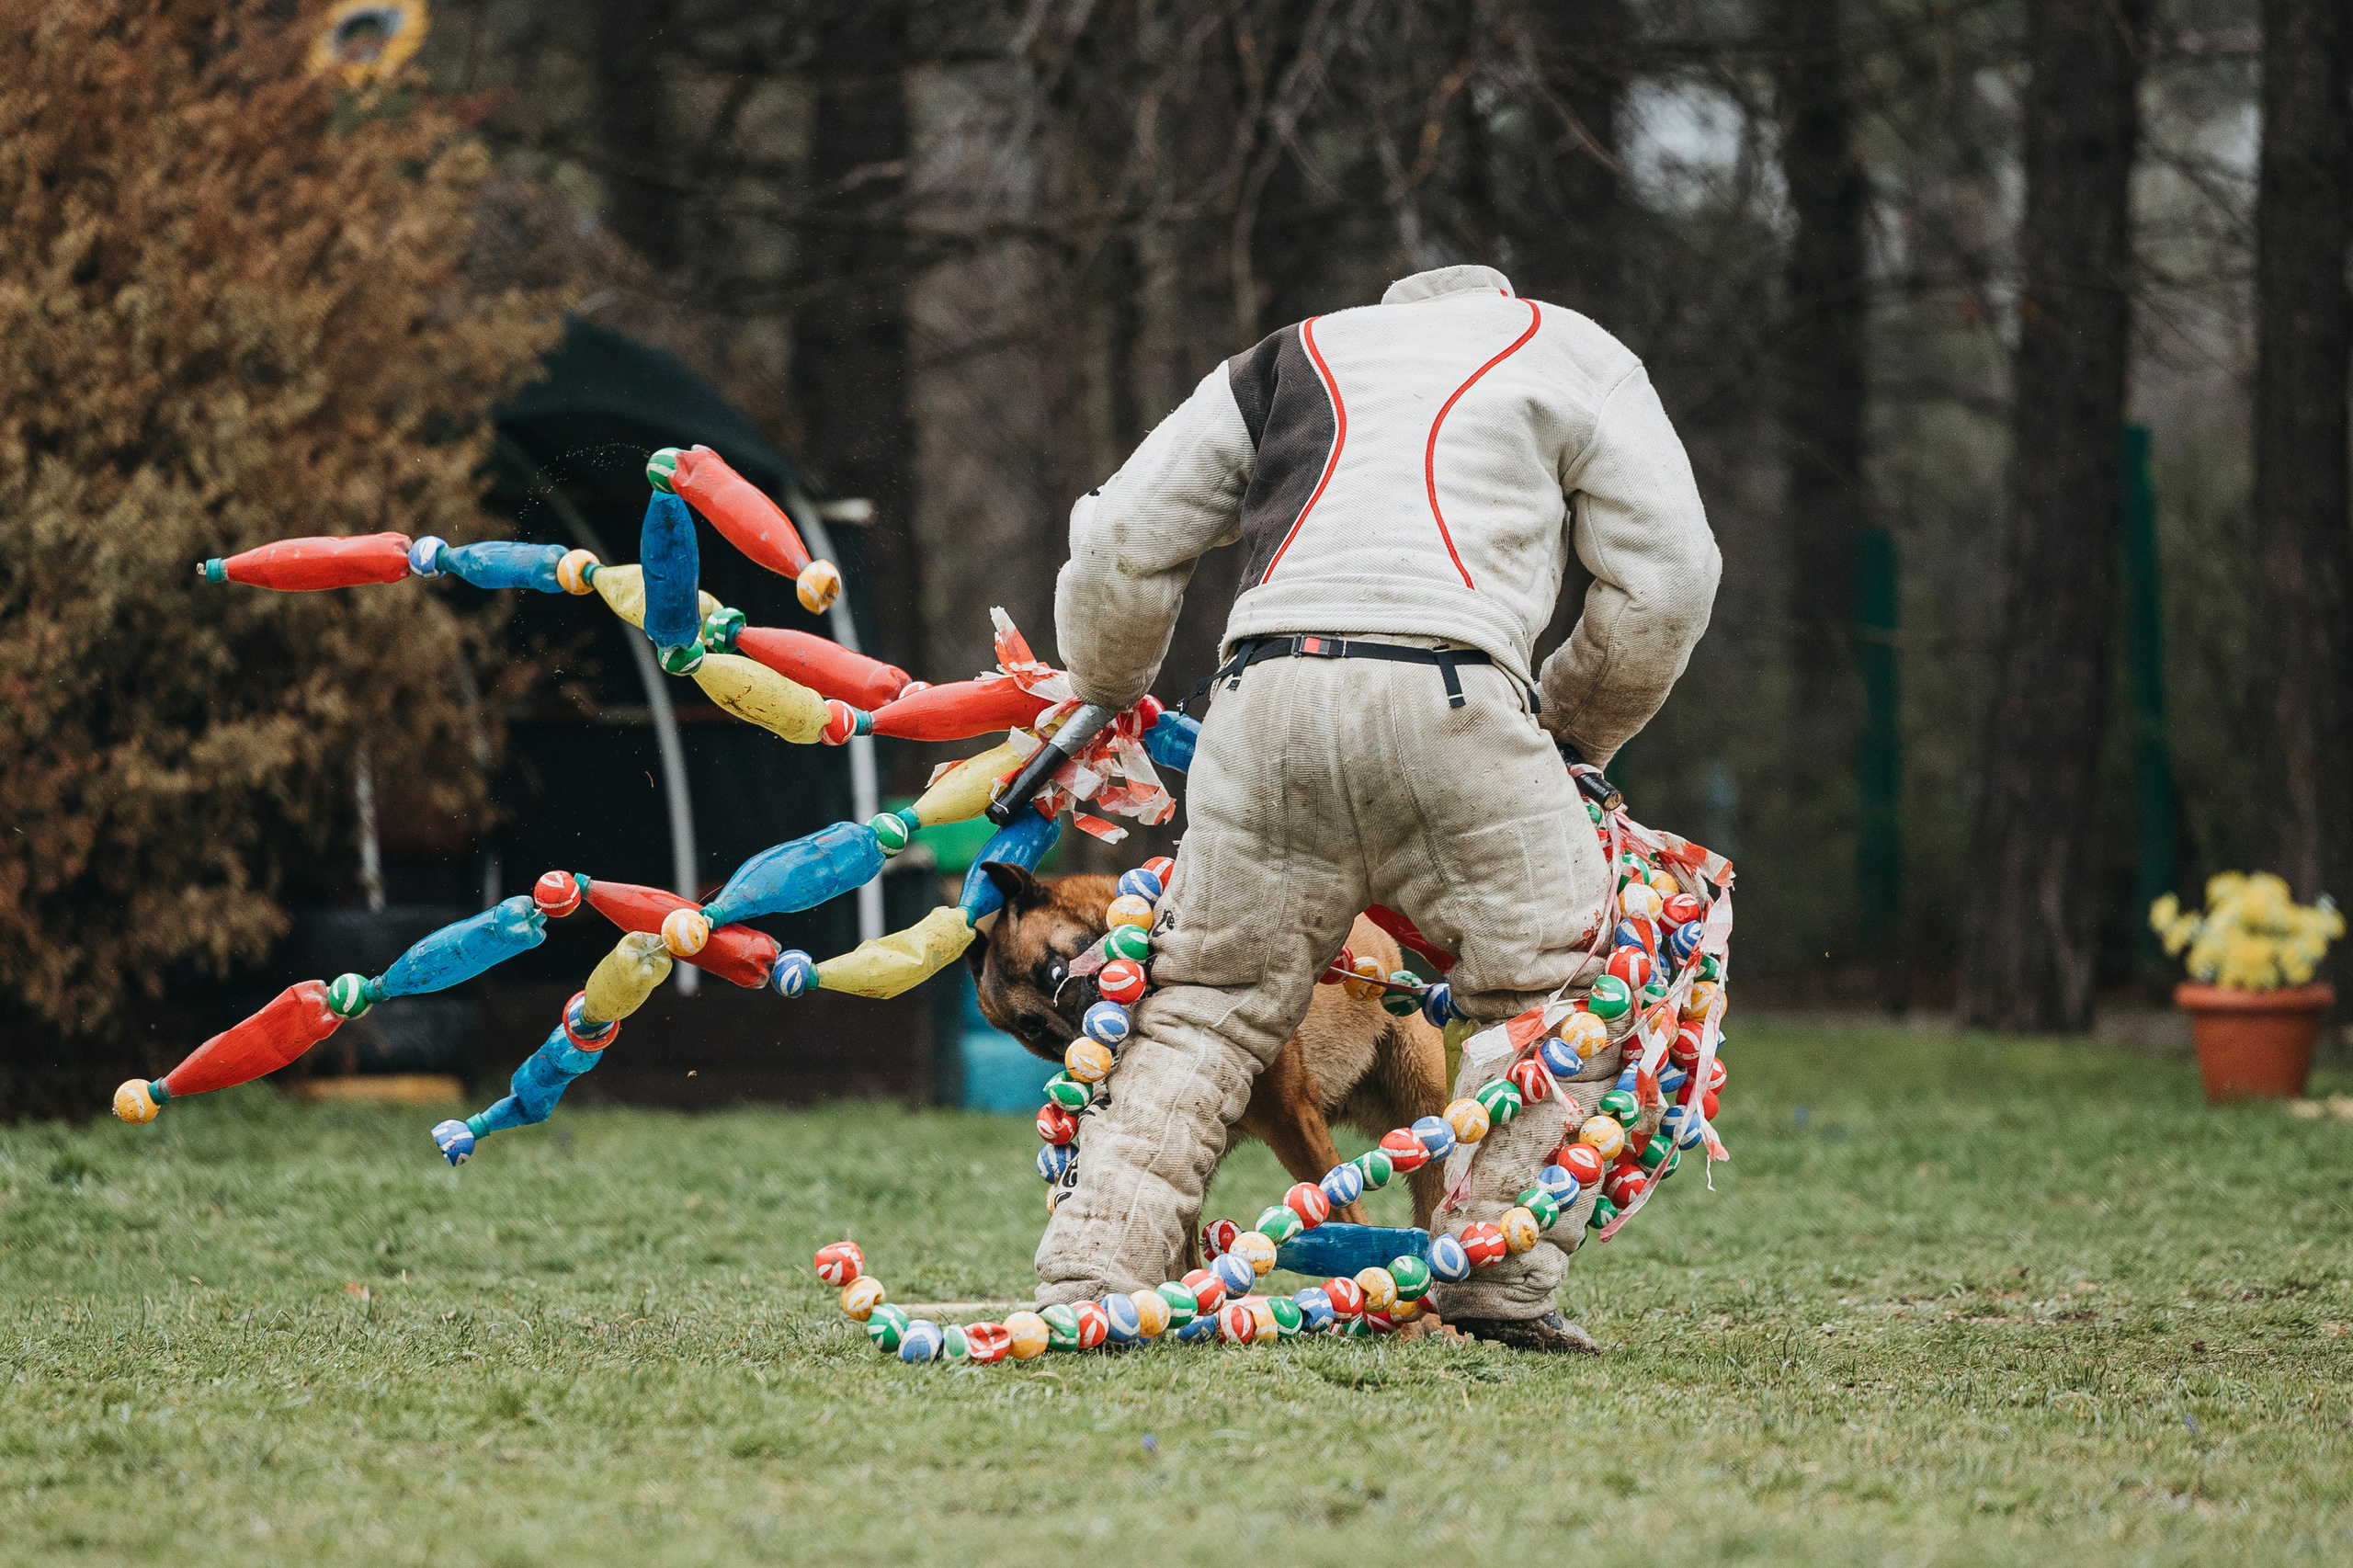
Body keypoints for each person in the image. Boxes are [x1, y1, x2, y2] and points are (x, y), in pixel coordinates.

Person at [1036, 264, 1720, 1350]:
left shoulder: (1283, 358)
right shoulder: (1572, 352)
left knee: (1203, 1001)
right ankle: (1494, 1282)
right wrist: (1573, 732)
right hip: (1458, 692)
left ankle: (1092, 1277)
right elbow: (1670, 579)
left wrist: (1106, 684)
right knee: (1565, 987)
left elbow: (1121, 537)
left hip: (1262, 698)